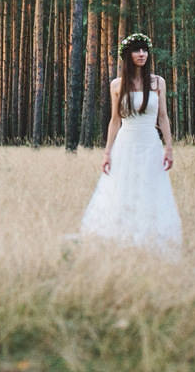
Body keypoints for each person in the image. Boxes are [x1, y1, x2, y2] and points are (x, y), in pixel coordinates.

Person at [71, 33, 182, 256]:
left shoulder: (157, 82)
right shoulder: (117, 85)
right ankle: (122, 240)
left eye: (144, 50)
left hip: (150, 144)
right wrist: (107, 153)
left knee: (151, 189)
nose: (141, 54)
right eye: (136, 50)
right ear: (127, 55)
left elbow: (162, 117)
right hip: (126, 144)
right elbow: (114, 120)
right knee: (122, 190)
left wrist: (168, 147)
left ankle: (150, 240)